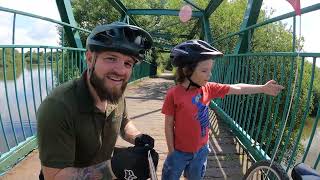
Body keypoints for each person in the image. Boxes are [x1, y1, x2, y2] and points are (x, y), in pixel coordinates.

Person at [37, 21, 157, 180]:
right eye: (111, 58)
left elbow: (124, 122)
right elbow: (54, 176)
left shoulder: (114, 90)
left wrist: (138, 137)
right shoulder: (58, 107)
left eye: (128, 63)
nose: (120, 71)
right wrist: (113, 169)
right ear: (89, 58)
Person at [161, 40, 285, 180]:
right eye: (204, 71)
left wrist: (262, 88)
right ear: (186, 70)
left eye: (210, 70)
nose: (209, 75)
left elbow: (236, 88)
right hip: (179, 151)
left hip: (201, 150)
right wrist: (172, 151)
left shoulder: (208, 88)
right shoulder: (174, 94)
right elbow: (169, 124)